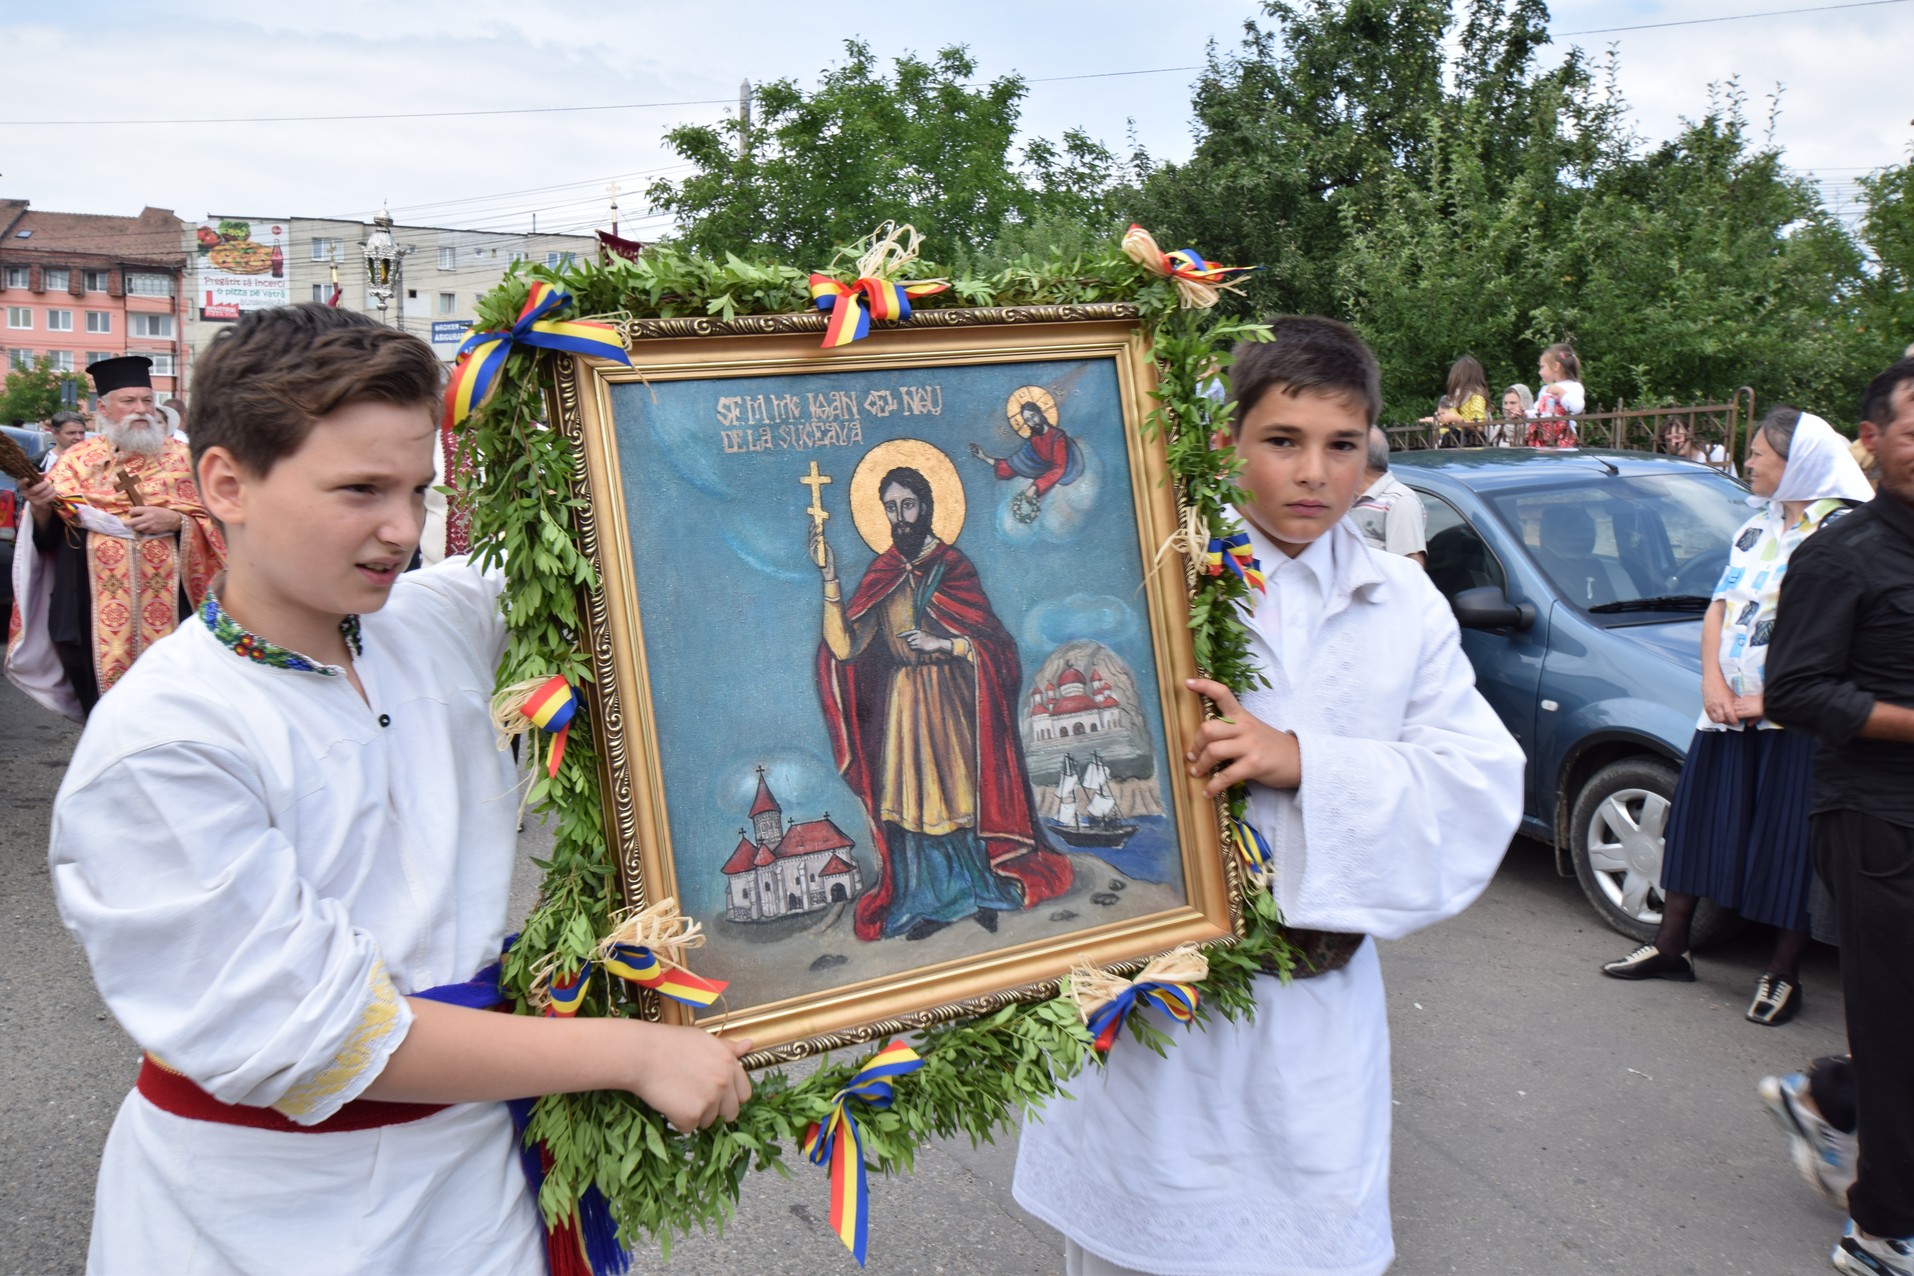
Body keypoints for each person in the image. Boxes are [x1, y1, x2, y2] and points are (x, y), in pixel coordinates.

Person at [47, 304, 753, 1275]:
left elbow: (641, 533)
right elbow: (328, 1031)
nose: (402, 527)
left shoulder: (431, 620)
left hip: (477, 1193)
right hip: (266, 1218)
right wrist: (632, 1055)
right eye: (360, 489)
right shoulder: (164, 741)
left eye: (419, 487)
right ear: (226, 482)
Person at [1012, 317, 1523, 1276]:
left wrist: (1304, 759)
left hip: (1314, 1026)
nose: (1313, 474)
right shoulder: (1153, 593)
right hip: (1160, 1026)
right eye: (1282, 441)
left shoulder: (1400, 604)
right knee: (1142, 1244)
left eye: (1342, 446)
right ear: (1228, 441)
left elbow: (1477, 784)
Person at [1599, 407, 1872, 1023]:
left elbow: (1852, 641)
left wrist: (1774, 699)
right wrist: (1714, 681)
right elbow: (1721, 607)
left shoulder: (1845, 535)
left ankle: (1783, 974)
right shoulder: (1757, 526)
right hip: (1725, 710)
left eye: (1757, 453)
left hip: (1793, 723)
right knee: (1697, 828)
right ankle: (1671, 947)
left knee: (1786, 846)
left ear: (1795, 462)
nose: (1747, 461)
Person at [1767, 357, 1914, 1274]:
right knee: (1900, 1028)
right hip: (1876, 823)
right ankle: (1881, 1231)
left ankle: (1830, 1097)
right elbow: (1795, 688)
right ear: (1871, 440)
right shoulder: (1840, 553)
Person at [811, 462, 1071, 941]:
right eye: (890, 508)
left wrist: (944, 645)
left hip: (950, 700)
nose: (899, 516)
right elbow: (845, 648)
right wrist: (830, 582)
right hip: (903, 707)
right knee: (910, 805)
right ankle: (922, 900)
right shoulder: (882, 572)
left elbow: (996, 647)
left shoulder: (954, 567)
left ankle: (979, 892)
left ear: (927, 505)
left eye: (907, 504)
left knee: (958, 797)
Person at [7, 356, 224, 720]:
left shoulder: (184, 459)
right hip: (86, 612)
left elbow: (220, 521)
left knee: (176, 708)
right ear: (104, 408)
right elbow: (46, 540)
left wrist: (177, 520)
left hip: (177, 611)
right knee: (103, 712)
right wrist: (42, 508)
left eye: (146, 400)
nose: (140, 410)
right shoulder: (76, 461)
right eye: (129, 401)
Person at [1347, 425, 1427, 565]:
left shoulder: (1400, 501)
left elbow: (1409, 572)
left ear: (1361, 458)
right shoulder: (1343, 498)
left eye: (1344, 448)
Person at [1417, 355, 1490, 447]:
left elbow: (1479, 426)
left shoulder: (1476, 397)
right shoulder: (1459, 397)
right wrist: (1438, 420)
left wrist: (1455, 418)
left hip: (1471, 442)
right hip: (1458, 439)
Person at [1526, 343, 1585, 448]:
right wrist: (1525, 414)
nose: (1540, 372)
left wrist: (1561, 393)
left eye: (1542, 367)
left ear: (1556, 366)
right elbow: (1538, 412)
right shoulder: (1545, 389)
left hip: (1562, 436)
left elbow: (1577, 407)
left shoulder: (1574, 386)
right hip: (1541, 435)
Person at [1658, 418, 1736, 474]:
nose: (1673, 443)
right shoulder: (1670, 464)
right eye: (1668, 440)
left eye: (1678, 437)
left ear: (1689, 433)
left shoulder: (1716, 453)